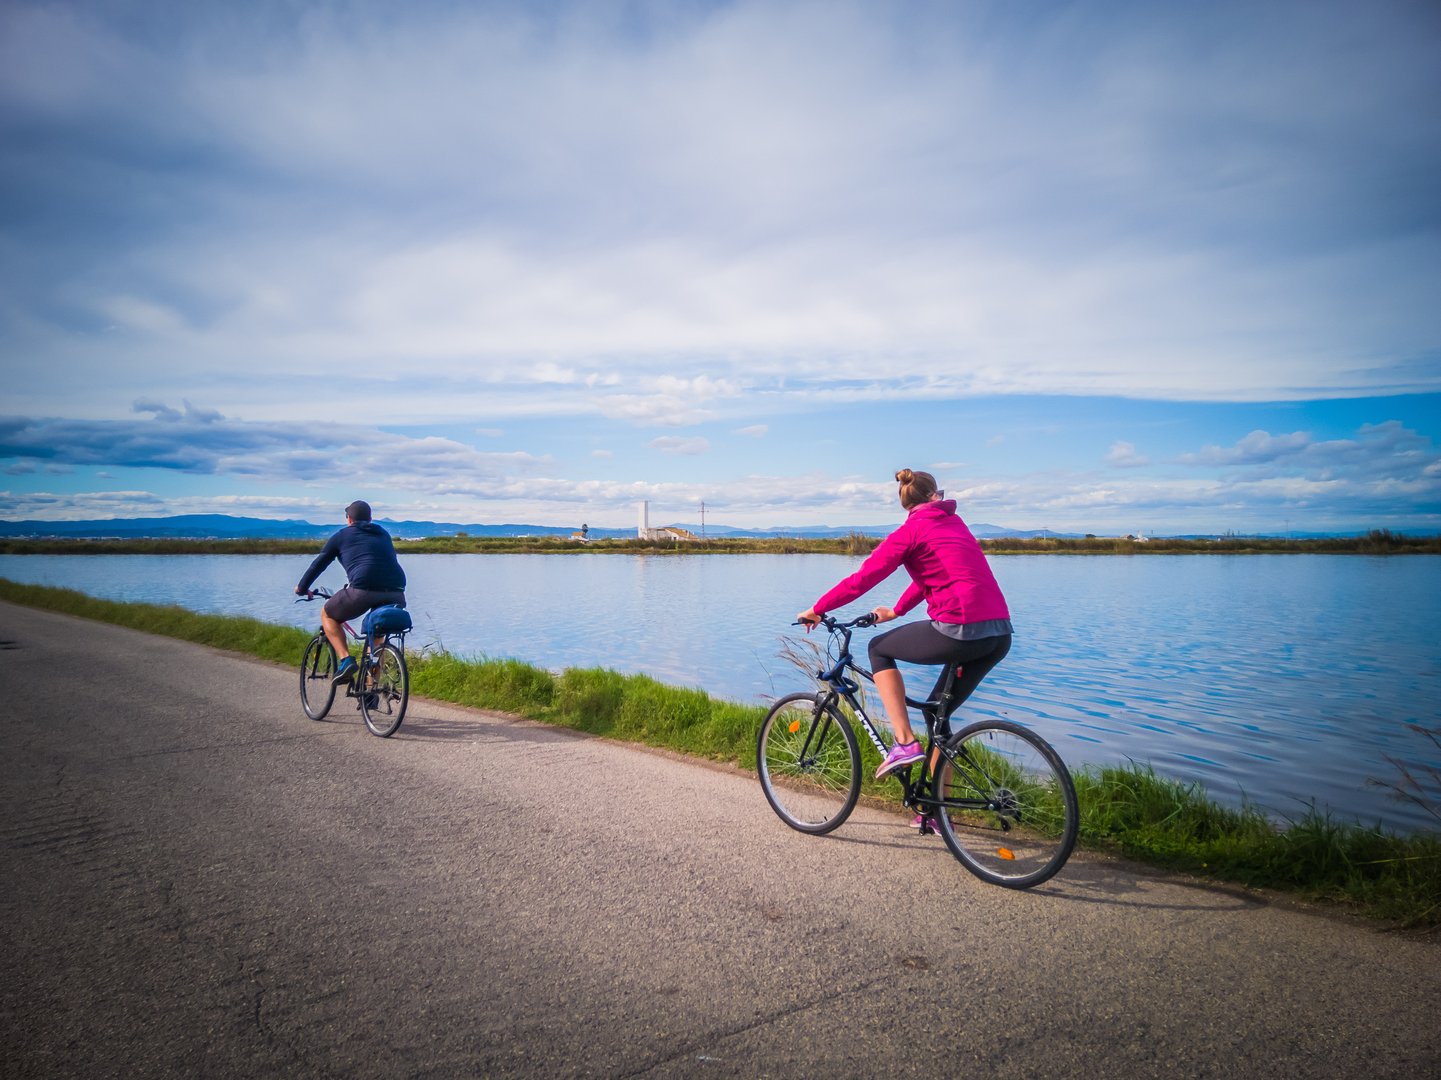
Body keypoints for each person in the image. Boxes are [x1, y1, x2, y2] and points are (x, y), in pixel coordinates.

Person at [797, 469, 1013, 797]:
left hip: (959, 630)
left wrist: (818, 608)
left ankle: (904, 742)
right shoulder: (955, 524)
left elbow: (862, 579)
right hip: (998, 635)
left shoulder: (910, 531)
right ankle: (937, 810)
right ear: (935, 496)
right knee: (937, 715)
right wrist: (897, 611)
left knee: (878, 648)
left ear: (905, 503)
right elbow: (933, 575)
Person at [295, 500, 407, 685]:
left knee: (327, 614)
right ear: (370, 519)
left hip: (362, 590)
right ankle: (371, 691)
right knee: (376, 637)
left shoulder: (341, 536)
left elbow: (318, 565)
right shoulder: (383, 534)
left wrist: (301, 588)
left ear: (348, 519)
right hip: (396, 592)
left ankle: (346, 660)